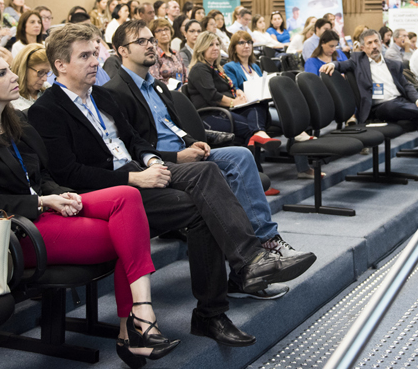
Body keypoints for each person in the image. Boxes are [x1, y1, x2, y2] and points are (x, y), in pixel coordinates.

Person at [28, 24, 315, 346]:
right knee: (202, 209)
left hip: (140, 171)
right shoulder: (46, 110)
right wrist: (134, 178)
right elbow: (70, 173)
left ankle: (248, 264)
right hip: (107, 193)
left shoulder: (103, 98)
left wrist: (151, 162)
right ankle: (217, 307)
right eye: (85, 56)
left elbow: (135, 141)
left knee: (206, 172)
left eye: (95, 53)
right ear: (61, 65)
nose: (95, 61)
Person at [0, 49, 179, 365]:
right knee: (127, 235)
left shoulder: (15, 120)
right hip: (12, 231)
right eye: (1, 74)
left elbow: (43, 175)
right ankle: (135, 328)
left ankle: (135, 322)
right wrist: (40, 201)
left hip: (45, 210)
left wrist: (61, 195)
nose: (13, 77)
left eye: (9, 70)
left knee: (127, 196)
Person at [105, 20, 306, 298]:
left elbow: (173, 128)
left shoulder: (159, 88)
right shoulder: (115, 91)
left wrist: (192, 142)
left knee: (240, 155)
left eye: (151, 39)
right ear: (121, 51)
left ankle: (268, 241)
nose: (151, 45)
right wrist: (177, 154)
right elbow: (130, 147)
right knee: (220, 177)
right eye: (141, 41)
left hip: (185, 153)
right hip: (160, 164)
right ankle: (247, 269)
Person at [322, 29, 418, 184]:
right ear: (363, 47)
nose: (374, 46)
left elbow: (407, 86)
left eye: (376, 41)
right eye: (369, 43)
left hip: (402, 104)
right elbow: (342, 64)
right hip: (378, 109)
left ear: (381, 43)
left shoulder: (393, 64)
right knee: (390, 106)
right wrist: (332, 64)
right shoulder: (357, 60)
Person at [184, 32, 281, 155]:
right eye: (210, 45)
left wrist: (237, 92)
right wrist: (233, 101)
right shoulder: (200, 68)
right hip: (210, 115)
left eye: (217, 44)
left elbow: (230, 87)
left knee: (258, 104)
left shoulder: (216, 68)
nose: (215, 48)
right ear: (201, 48)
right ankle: (255, 161)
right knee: (250, 128)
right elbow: (212, 96)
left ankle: (258, 138)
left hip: (224, 111)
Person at [10, 43, 50, 111]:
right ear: (23, 69)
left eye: (47, 73)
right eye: (40, 72)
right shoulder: (11, 98)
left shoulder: (47, 88)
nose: (45, 79)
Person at [147, 19, 185, 87]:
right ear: (153, 35)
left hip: (180, 92)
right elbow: (155, 80)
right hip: (164, 93)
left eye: (166, 29)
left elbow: (185, 76)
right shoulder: (153, 55)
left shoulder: (176, 53)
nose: (164, 33)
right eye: (159, 31)